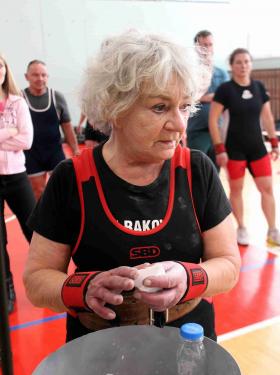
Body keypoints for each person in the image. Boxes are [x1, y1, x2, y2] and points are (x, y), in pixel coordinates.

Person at [23, 30, 240, 343]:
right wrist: (87, 288)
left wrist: (187, 278)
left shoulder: (196, 169)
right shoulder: (72, 178)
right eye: (159, 107)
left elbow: (229, 265)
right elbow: (37, 280)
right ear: (116, 107)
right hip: (99, 348)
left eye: (184, 106)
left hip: (187, 345)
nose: (180, 125)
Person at [209, 48, 280, 246]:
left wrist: (274, 142)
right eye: (239, 62)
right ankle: (241, 227)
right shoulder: (226, 89)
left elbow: (267, 117)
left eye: (246, 61)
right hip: (234, 149)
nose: (243, 65)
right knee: (236, 190)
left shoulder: (258, 87)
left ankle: (273, 230)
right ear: (232, 66)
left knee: (267, 189)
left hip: (257, 148)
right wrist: (219, 148)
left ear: (251, 64)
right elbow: (213, 120)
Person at [0, 54, 35, 313]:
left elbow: (27, 141)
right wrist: (9, 132)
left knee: (35, 230)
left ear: (6, 70)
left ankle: (48, 282)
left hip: (16, 176)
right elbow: (17, 136)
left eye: (0, 66)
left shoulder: (17, 103)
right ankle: (7, 290)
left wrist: (13, 135)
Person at [23, 60, 80, 200]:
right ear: (27, 76)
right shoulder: (19, 98)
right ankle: (42, 221)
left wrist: (76, 150)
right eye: (35, 75)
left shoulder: (57, 97)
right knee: (38, 193)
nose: (40, 78)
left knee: (64, 191)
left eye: (43, 75)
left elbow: (67, 127)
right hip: (31, 154)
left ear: (47, 76)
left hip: (54, 152)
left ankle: (63, 221)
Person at [187, 30, 228, 169]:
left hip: (218, 132)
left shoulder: (222, 74)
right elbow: (184, 99)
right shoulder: (189, 73)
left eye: (210, 44)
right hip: (197, 130)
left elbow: (228, 101)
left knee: (215, 175)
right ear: (196, 48)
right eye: (203, 45)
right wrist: (206, 98)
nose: (207, 48)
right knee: (196, 172)